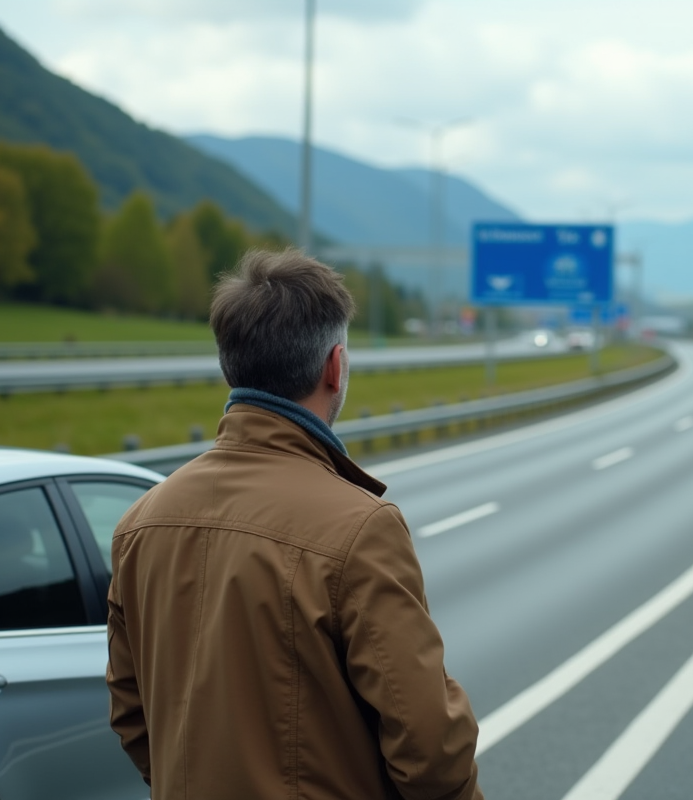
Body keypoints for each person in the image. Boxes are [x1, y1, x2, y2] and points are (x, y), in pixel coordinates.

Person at [106, 248, 483, 800]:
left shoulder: (139, 524)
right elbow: (430, 748)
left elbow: (130, 712)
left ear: (231, 364)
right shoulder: (360, 528)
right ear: (335, 366)